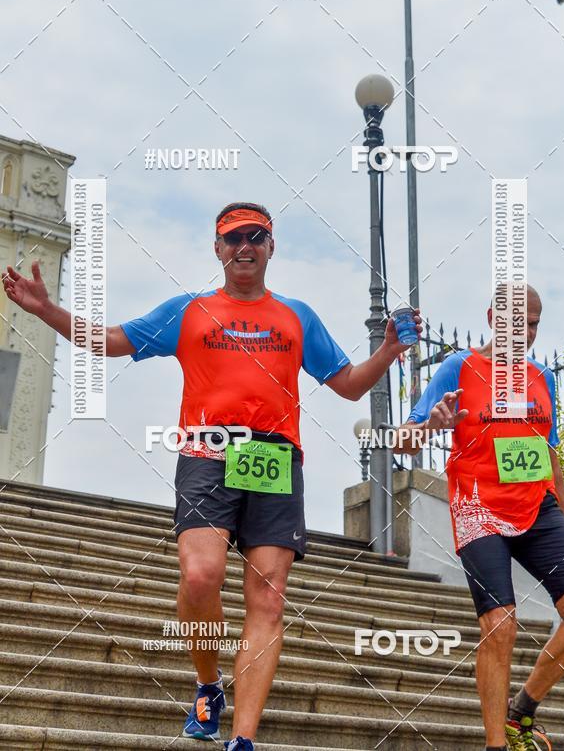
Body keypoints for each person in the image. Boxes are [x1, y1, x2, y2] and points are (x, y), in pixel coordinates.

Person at [2, 201, 421, 749]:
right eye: (232, 239)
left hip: (275, 458)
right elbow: (109, 340)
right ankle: (207, 684)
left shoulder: (297, 316)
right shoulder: (191, 310)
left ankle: (241, 739)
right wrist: (46, 312)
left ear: (272, 246)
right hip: (207, 450)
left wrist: (388, 350)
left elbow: (346, 384)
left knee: (267, 599)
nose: (243, 247)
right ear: (217, 249)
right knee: (200, 576)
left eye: (255, 236)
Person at [396, 285, 564, 751]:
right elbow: (402, 442)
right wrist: (431, 425)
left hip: (538, 508)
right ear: (492, 317)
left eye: (532, 324)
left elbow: (549, 452)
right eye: (516, 322)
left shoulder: (541, 377)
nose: (525, 333)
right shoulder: (458, 368)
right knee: (500, 623)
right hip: (477, 506)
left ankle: (522, 709)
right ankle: (497, 746)